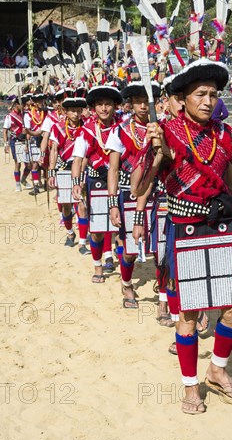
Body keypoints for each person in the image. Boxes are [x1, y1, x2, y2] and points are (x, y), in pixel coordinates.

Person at [131, 59, 232, 414]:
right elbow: (139, 187)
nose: (208, 100)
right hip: (186, 233)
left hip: (222, 229)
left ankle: (216, 370)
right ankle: (190, 387)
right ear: (181, 98)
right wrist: (155, 155)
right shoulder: (165, 132)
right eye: (200, 93)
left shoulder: (223, 134)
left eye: (214, 94)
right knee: (189, 314)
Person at [106, 81, 161, 308]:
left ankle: (165, 297)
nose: (142, 106)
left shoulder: (162, 127)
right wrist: (112, 204)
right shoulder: (120, 131)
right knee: (130, 250)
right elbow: (114, 169)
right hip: (129, 192)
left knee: (160, 247)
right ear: (131, 103)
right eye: (137, 101)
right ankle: (127, 282)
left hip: (158, 192)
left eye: (145, 101)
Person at [72, 84, 123, 281]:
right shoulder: (87, 130)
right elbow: (78, 158)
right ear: (94, 108)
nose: (104, 109)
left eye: (108, 104)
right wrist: (76, 182)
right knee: (98, 229)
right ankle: (98, 266)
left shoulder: (124, 127)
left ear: (115, 106)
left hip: (119, 181)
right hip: (96, 181)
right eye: (100, 104)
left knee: (118, 225)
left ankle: (112, 255)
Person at [47, 89, 89, 249]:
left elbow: (87, 153)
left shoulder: (87, 127)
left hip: (81, 169)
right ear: (66, 112)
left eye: (79, 111)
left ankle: (84, 242)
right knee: (65, 205)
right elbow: (54, 150)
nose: (77, 114)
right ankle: (70, 232)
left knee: (81, 204)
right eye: (73, 111)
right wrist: (51, 172)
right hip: (64, 169)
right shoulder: (58, 128)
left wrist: (82, 171)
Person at [3, 99, 32, 191]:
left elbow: (28, 130)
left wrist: (27, 142)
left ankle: (23, 179)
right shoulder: (10, 116)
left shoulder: (25, 115)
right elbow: (5, 130)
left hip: (24, 141)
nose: (24, 106)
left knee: (29, 165)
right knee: (17, 163)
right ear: (16, 105)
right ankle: (17, 184)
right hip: (15, 141)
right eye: (22, 105)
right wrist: (6, 144)